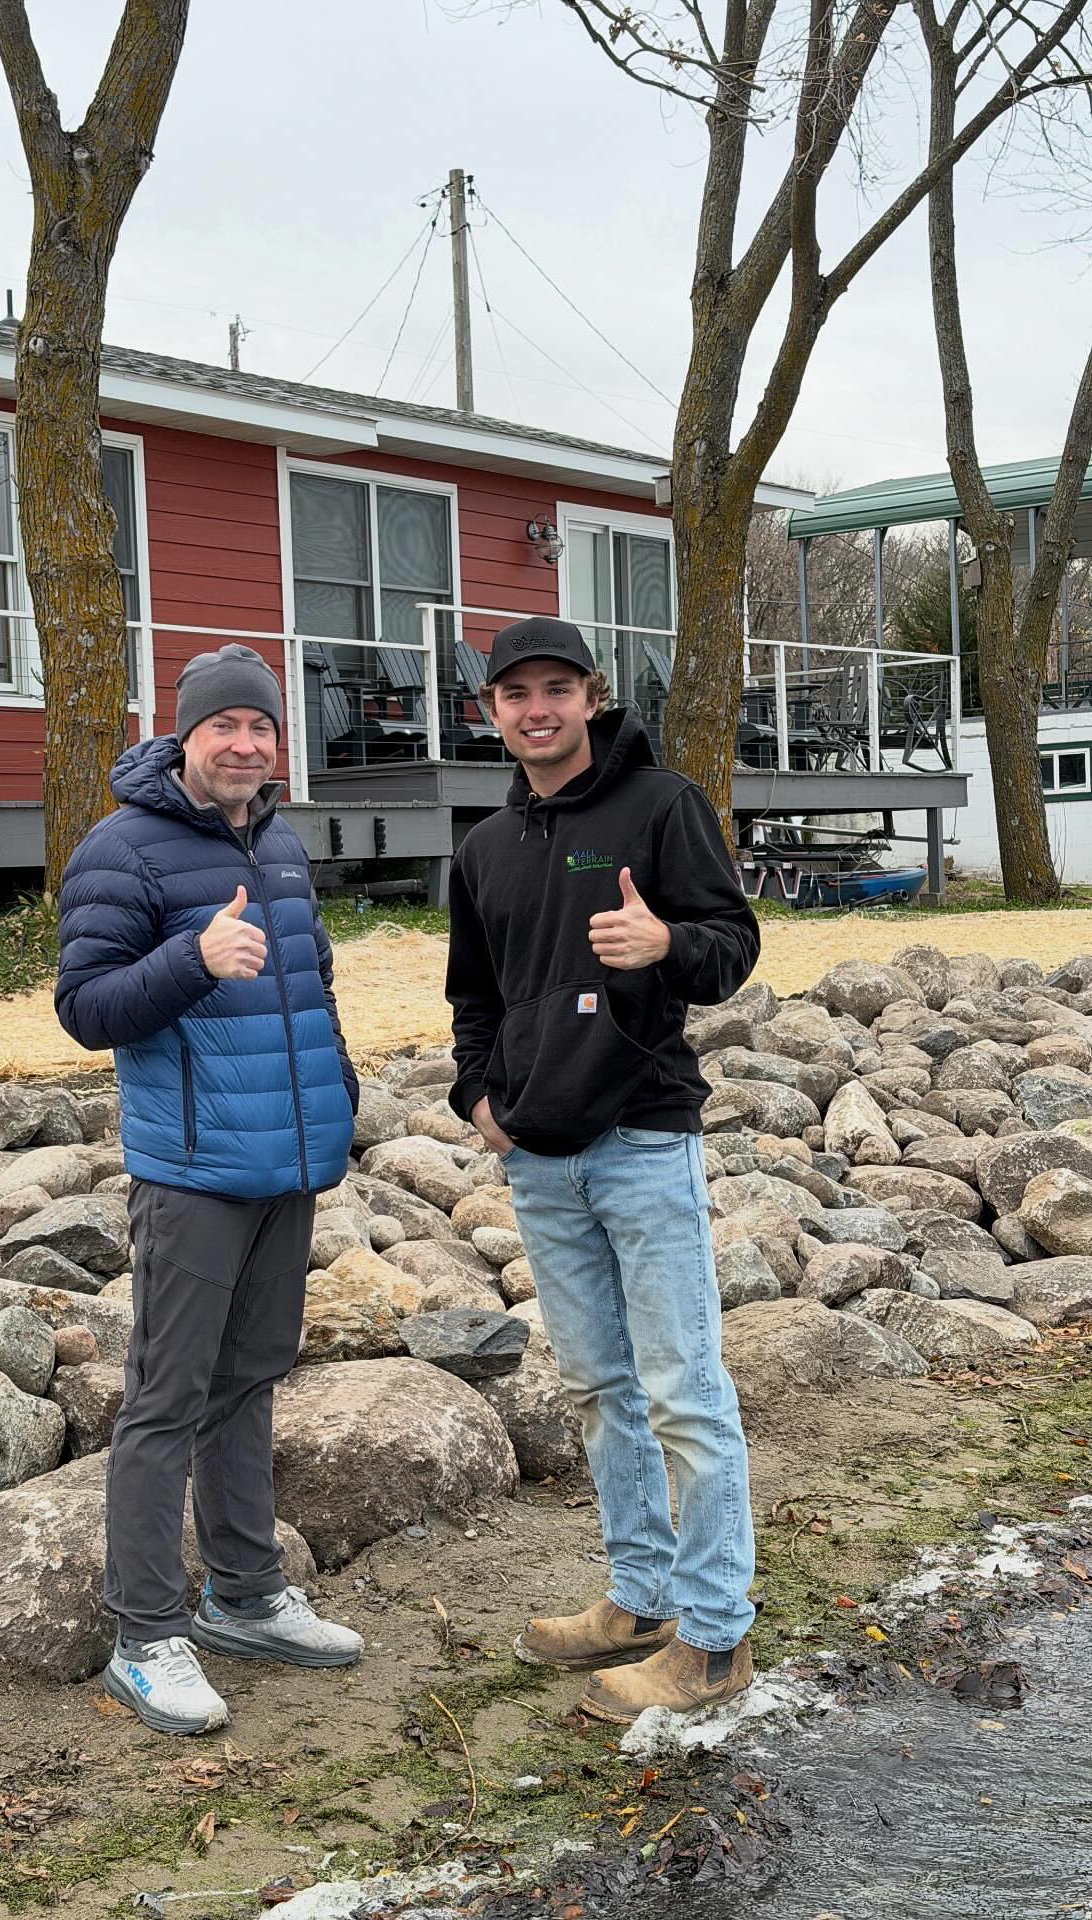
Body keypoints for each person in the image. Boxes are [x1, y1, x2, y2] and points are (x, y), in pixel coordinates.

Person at [445, 615, 761, 1723]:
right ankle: (640, 1600)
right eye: (515, 694)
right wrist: (479, 1101)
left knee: (684, 1391)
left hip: (643, 1139)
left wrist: (667, 944)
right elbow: (473, 998)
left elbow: (731, 948)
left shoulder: (662, 805)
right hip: (538, 1158)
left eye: (556, 689)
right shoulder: (484, 848)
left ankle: (714, 1639)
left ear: (592, 695)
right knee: (598, 1389)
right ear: (491, 712)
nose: (537, 710)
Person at [55, 642, 363, 1737]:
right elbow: (84, 1009)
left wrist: (339, 1095)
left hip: (288, 1165)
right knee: (165, 1399)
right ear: (184, 735)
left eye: (260, 725)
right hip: (191, 1174)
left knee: (250, 1382)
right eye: (223, 725)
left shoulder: (277, 841)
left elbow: (311, 983)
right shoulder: (119, 849)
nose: (244, 743)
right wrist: (192, 959)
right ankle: (145, 1636)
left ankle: (246, 1597)